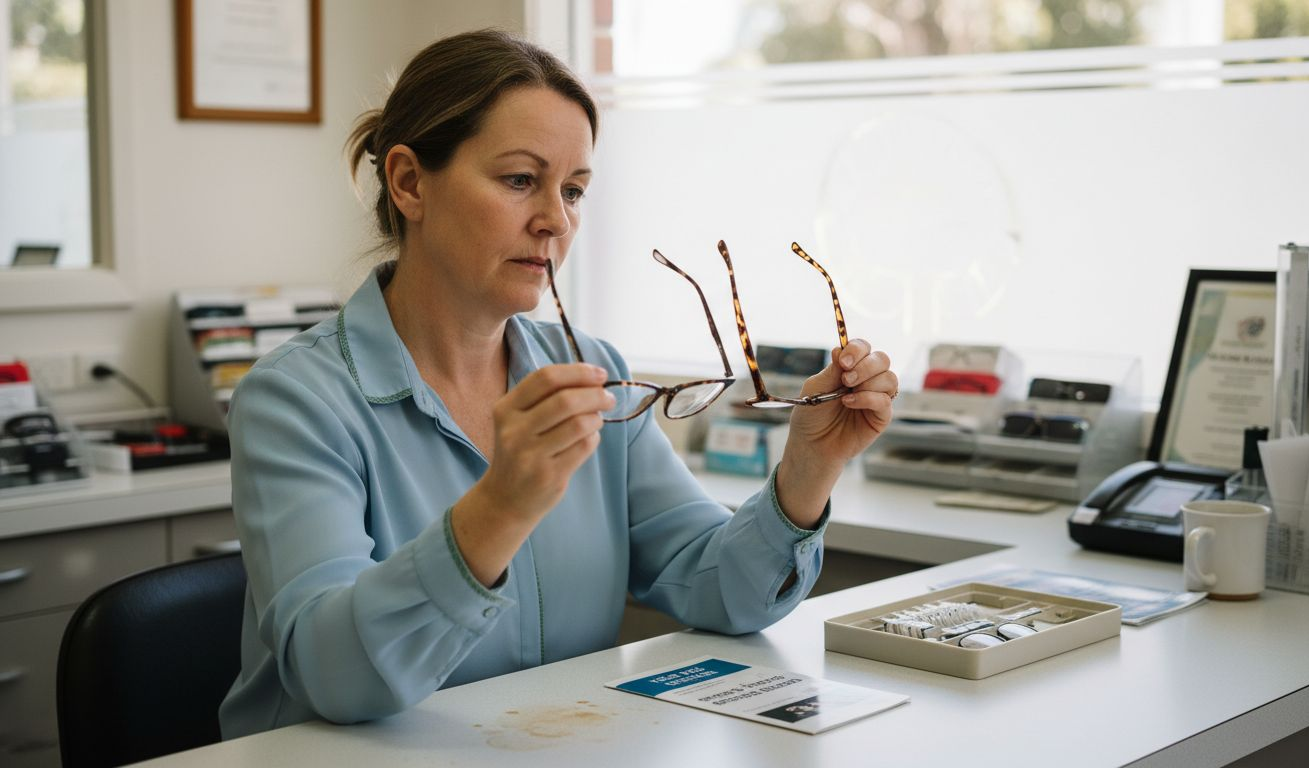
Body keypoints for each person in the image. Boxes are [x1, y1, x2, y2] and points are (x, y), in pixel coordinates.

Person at [218, 29, 898, 739]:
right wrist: (502, 506)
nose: (557, 219)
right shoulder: (296, 400)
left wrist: (808, 468)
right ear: (409, 183)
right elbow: (337, 677)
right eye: (520, 181)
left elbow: (718, 587)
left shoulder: (594, 374)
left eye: (573, 189)